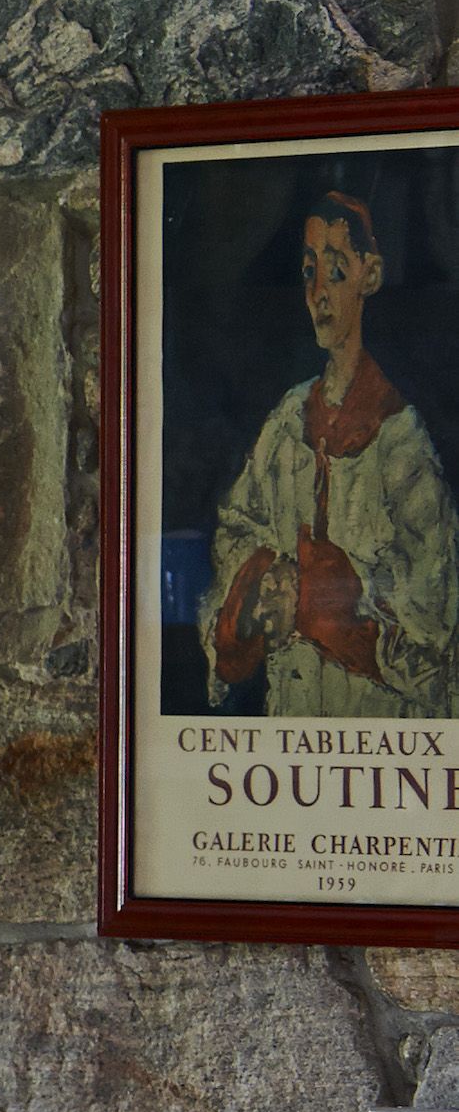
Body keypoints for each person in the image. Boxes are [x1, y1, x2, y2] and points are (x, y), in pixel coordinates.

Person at [206, 184, 459, 717]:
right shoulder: (286, 424)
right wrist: (261, 583)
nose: (319, 291)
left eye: (337, 269)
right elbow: (236, 526)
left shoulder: (402, 440)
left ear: (371, 275)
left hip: (379, 725)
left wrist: (338, 597)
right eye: (308, 271)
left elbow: (434, 609)